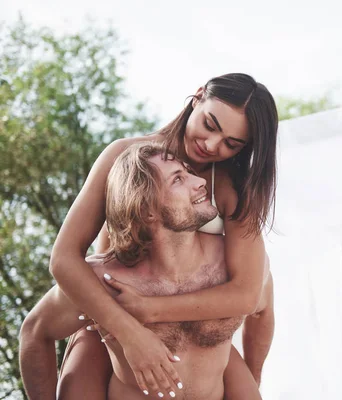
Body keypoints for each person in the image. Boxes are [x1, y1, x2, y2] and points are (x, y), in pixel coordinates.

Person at [44, 73, 277, 397]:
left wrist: (151, 310)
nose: (212, 145)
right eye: (210, 125)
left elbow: (248, 295)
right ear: (197, 96)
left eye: (231, 144)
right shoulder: (123, 158)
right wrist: (128, 332)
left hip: (195, 331)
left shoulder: (232, 185)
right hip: (111, 317)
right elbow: (64, 258)